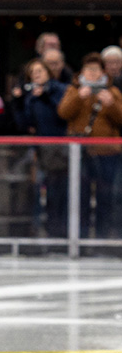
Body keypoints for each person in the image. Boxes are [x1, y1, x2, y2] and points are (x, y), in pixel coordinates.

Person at [58, 52, 122, 238]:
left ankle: (102, 237)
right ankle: (80, 237)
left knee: (106, 195)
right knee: (80, 195)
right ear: (82, 72)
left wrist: (110, 104)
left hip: (107, 152)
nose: (93, 74)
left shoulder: (113, 92)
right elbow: (63, 113)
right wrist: (79, 97)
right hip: (81, 154)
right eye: (89, 69)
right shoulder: (73, 90)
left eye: (96, 70)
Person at [11, 58, 69, 238]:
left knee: (57, 192)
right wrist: (18, 102)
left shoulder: (60, 90)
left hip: (60, 149)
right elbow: (24, 124)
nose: (37, 75)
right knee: (34, 191)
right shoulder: (31, 96)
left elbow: (62, 114)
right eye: (33, 73)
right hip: (40, 150)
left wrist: (44, 96)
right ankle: (35, 231)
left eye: (40, 71)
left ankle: (58, 232)